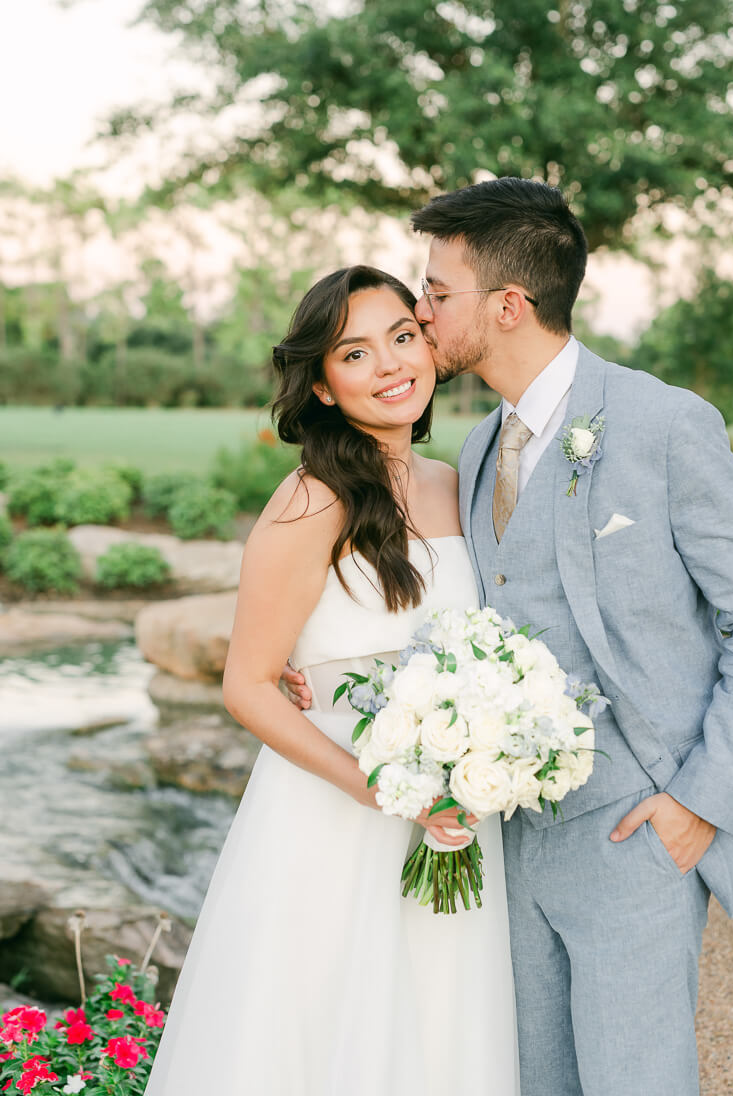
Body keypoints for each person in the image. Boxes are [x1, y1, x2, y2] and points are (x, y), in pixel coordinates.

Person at [286, 180, 733, 1096]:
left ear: (508, 305)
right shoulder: (479, 449)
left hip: (636, 830)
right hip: (500, 837)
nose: (421, 309)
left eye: (437, 293)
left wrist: (700, 801)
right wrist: (325, 673)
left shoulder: (665, 423)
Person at [144, 265, 520, 1096]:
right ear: (320, 383)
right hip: (338, 810)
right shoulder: (310, 503)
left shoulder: (455, 487)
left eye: (402, 337)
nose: (391, 365)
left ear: (428, 342)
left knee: (440, 1024)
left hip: (453, 810)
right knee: (320, 1034)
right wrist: (381, 790)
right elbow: (245, 686)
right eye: (356, 353)